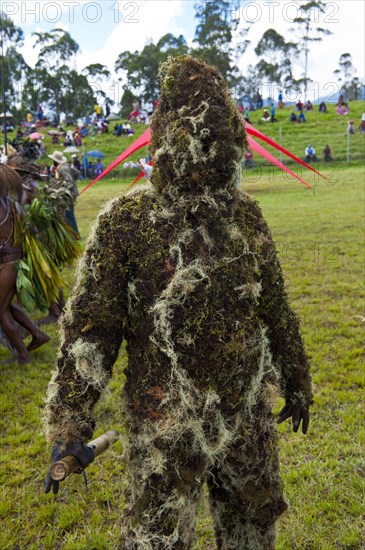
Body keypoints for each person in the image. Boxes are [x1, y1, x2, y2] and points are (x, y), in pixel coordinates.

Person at [43, 56, 312, 549]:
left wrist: (297, 376)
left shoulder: (246, 219)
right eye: (196, 129)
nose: (209, 141)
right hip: (164, 423)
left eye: (218, 127)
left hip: (245, 412)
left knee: (253, 527)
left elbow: (274, 307)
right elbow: (92, 332)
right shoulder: (127, 223)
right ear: (166, 134)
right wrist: (71, 418)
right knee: (156, 539)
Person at [0, 163, 49, 363]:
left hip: (7, 266)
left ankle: (23, 355)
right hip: (18, 263)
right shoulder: (13, 204)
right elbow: (30, 231)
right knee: (7, 306)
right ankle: (38, 334)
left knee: (1, 311)